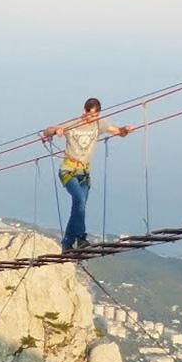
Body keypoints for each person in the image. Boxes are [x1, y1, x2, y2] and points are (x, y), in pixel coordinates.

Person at [42, 98, 134, 251]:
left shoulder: (99, 124)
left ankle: (67, 244)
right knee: (79, 201)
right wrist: (55, 131)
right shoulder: (73, 124)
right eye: (91, 115)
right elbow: (48, 130)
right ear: (84, 112)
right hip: (68, 171)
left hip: (84, 173)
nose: (93, 118)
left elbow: (118, 131)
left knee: (79, 206)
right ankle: (81, 237)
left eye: (96, 115)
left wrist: (125, 129)